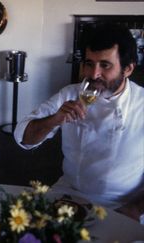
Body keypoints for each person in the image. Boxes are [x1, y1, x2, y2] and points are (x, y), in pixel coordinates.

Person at [14, 23, 144, 221]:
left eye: (105, 65)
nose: (93, 74)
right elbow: (24, 138)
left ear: (128, 69)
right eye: (89, 63)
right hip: (69, 194)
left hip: (123, 204)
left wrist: (133, 210)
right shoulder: (70, 94)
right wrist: (54, 119)